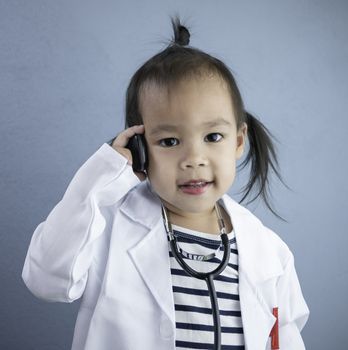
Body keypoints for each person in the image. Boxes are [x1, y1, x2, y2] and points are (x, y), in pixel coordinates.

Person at [22, 16, 309, 350]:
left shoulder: (270, 252)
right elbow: (46, 281)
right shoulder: (107, 226)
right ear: (138, 147)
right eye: (170, 142)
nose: (193, 158)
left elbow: (285, 337)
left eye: (213, 136)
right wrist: (101, 178)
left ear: (238, 141)